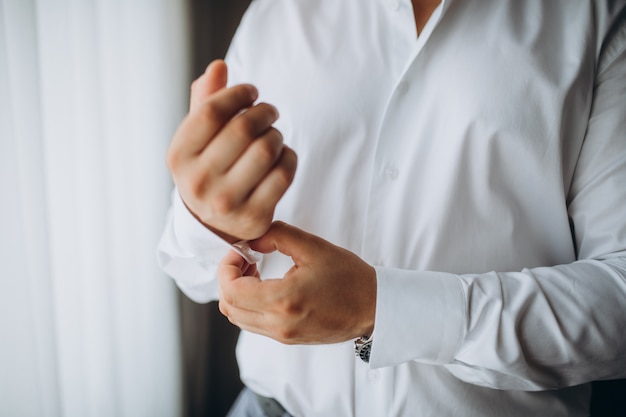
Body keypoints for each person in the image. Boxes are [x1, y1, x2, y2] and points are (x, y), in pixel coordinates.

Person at [157, 0, 626, 415]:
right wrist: (210, 219)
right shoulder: (276, 13)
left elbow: (618, 300)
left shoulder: (597, 17)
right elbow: (192, 273)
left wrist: (381, 308)